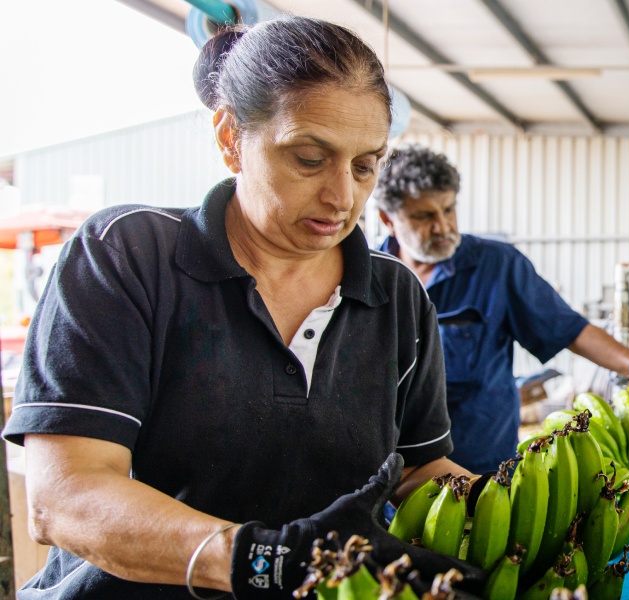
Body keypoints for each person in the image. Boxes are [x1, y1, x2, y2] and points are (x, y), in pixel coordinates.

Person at [2, 17, 482, 599]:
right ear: (231, 138)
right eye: (308, 157)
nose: (342, 196)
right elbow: (64, 498)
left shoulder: (397, 297)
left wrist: (512, 503)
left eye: (365, 165)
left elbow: (417, 470)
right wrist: (258, 560)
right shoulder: (128, 256)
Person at [373, 146, 629, 474]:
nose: (442, 227)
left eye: (449, 210)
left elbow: (569, 329)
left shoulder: (497, 266)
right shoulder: (369, 276)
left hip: (481, 466)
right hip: (386, 469)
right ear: (388, 219)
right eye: (424, 217)